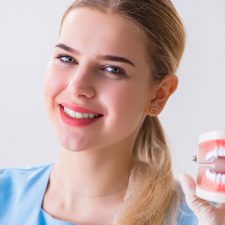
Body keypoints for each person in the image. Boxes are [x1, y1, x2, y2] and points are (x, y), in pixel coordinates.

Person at [0, 0, 224, 225]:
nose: (77, 87)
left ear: (159, 95)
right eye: (67, 58)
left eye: (112, 69)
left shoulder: (202, 218)